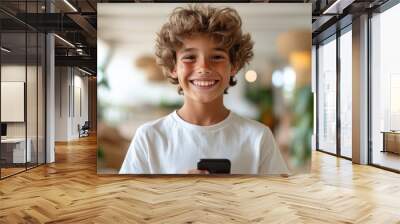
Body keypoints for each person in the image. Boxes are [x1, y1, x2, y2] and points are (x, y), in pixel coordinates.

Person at [119, 4, 290, 175]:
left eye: (216, 57)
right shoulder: (149, 137)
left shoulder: (258, 137)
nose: (203, 67)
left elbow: (281, 199)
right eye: (190, 57)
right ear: (173, 67)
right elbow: (125, 200)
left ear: (234, 66)